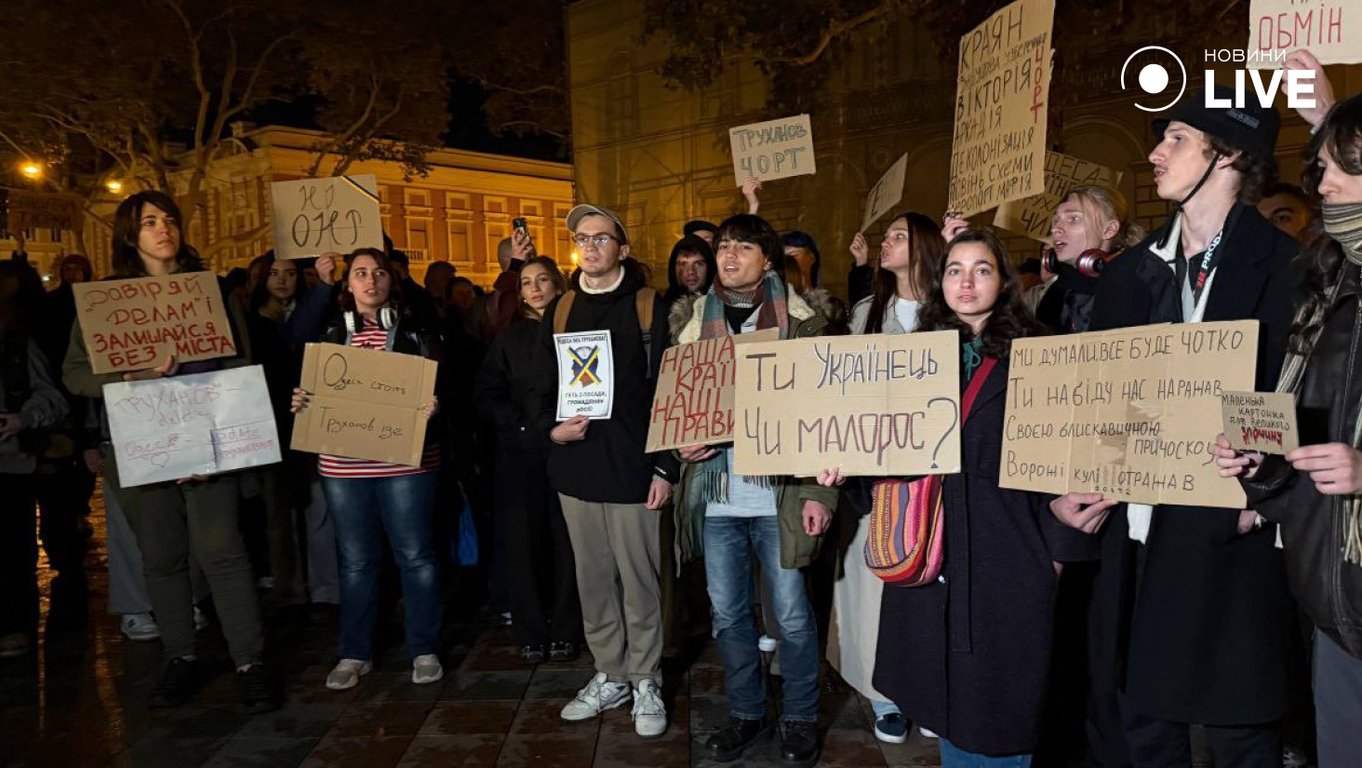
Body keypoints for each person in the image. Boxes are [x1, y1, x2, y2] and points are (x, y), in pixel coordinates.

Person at [1053, 86, 1300, 767]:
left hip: (1232, 532)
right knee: (1141, 722)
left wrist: (1268, 492)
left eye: (1177, 139)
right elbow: (1098, 401)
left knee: (1239, 729)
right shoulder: (1129, 275)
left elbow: (1300, 395)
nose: (1156, 153)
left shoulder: (1289, 267)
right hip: (1136, 533)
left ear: (1230, 156)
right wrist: (1072, 483)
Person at [854, 229, 1098, 766]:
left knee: (998, 716)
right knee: (947, 712)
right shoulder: (911, 358)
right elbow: (886, 452)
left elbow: (1071, 463)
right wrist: (846, 466)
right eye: (954, 270)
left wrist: (1054, 559)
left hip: (1006, 557)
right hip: (931, 556)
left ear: (1004, 281)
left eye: (981, 269)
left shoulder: (1040, 354)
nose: (966, 282)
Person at [63, 190, 277, 712]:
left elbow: (239, 366)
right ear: (129, 235)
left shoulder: (212, 290)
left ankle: (250, 662)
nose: (164, 229)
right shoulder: (105, 301)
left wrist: (209, 443)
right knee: (161, 557)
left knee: (223, 551)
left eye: (170, 219)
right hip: (140, 445)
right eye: (149, 222)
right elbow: (75, 374)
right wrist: (127, 375)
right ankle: (180, 656)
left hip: (210, 444)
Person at [1211, 78, 1360, 768]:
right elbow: (1304, 429)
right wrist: (1261, 463)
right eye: (1319, 166)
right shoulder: (1327, 285)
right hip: (1333, 605)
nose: (1320, 183)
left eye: (1336, 166)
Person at [669, 214, 838, 766]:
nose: (729, 255)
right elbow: (677, 406)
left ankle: (800, 717)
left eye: (744, 247)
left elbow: (825, 417)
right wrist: (682, 446)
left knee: (791, 616)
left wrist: (819, 493)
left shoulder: (806, 325)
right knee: (728, 616)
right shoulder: (693, 324)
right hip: (718, 497)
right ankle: (747, 712)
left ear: (768, 260)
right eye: (723, 246)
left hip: (780, 497)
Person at [536, 203, 678, 739]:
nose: (590, 246)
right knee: (592, 581)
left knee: (640, 582)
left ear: (623, 248)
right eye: (582, 238)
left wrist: (665, 468)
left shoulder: (650, 306)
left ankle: (646, 678)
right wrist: (552, 432)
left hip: (634, 472)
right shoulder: (561, 309)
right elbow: (540, 388)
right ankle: (611, 673)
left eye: (601, 237)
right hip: (576, 472)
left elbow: (672, 390)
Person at [292, 247, 445, 691]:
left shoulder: (415, 327)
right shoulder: (328, 329)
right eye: (360, 273)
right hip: (344, 466)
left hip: (407, 463)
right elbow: (294, 341)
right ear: (348, 283)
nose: (370, 280)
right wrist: (302, 400)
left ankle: (424, 649)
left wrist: (436, 403)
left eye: (379, 272)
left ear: (392, 279)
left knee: (416, 556)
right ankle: (355, 652)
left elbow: (445, 373)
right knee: (356, 561)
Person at [830, 213, 944, 745]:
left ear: (925, 245)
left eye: (899, 235)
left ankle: (931, 692)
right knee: (872, 584)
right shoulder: (865, 313)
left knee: (932, 585)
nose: (886, 243)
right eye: (887, 236)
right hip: (873, 476)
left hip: (936, 473)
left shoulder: (949, 310)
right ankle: (884, 695)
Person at [475, 256, 583, 665]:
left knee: (568, 543)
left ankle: (568, 630)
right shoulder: (511, 339)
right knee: (522, 545)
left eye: (542, 280)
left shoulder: (579, 331)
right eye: (526, 282)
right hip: (521, 456)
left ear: (558, 284)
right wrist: (521, 426)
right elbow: (487, 394)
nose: (535, 288)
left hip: (573, 451)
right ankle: (532, 631)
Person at [245, 251, 339, 606]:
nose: (282, 280)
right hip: (271, 426)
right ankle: (289, 587)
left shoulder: (318, 313)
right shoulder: (251, 319)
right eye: (274, 273)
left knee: (319, 506)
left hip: (311, 420)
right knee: (278, 513)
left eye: (289, 273)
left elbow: (302, 335)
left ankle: (326, 586)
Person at [0, 261, 70, 658]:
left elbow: (52, 397)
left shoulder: (19, 345)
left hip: (11, 463)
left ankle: (14, 625)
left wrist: (22, 418)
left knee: (13, 549)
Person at [1035, 186, 1145, 334]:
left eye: (1073, 219)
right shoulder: (1053, 295)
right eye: (1056, 220)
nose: (1055, 229)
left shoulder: (1138, 287)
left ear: (1109, 230)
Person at [484, 232, 536, 343]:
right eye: (528, 256)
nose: (534, 261)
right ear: (507, 259)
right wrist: (515, 268)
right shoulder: (503, 294)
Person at [661, 234, 715, 309]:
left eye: (698, 264)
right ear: (673, 269)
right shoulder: (659, 307)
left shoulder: (723, 305)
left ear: (709, 268)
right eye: (683, 264)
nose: (691, 271)